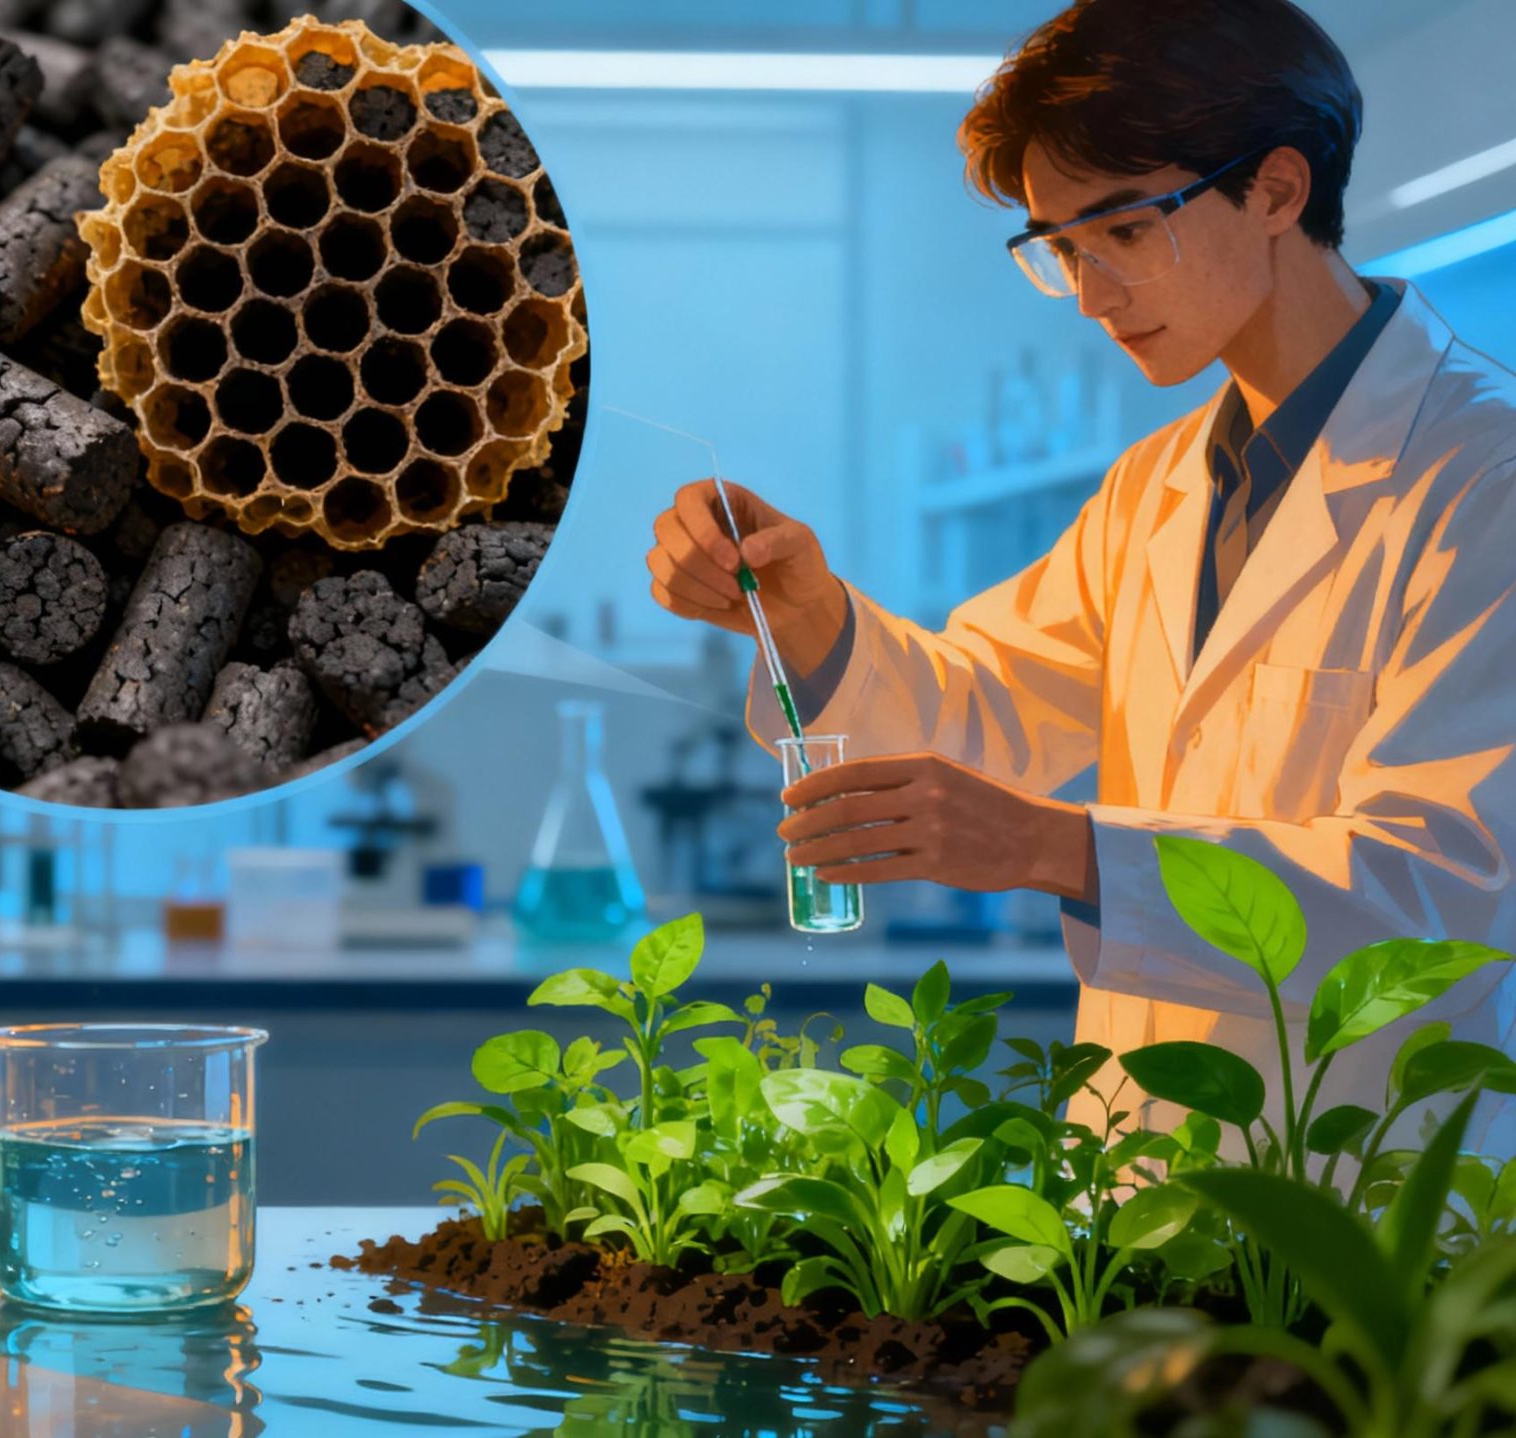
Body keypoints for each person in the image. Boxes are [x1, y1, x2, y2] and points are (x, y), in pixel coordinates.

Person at [645, 0, 1516, 1154]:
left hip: (1366, 1205)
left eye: (1124, 228)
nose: (1094, 294)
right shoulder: (1156, 487)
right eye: (1060, 249)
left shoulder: (1479, 477)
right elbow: (986, 712)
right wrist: (808, 614)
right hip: (1141, 1179)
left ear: (1275, 189)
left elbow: (1442, 895)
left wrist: (1058, 848)